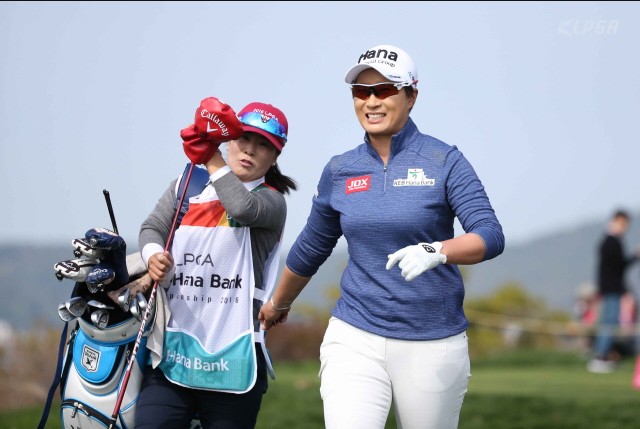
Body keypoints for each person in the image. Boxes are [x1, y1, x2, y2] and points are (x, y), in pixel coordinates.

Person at [259, 44, 505, 429]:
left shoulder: (444, 160)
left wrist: (437, 250)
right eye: (361, 91)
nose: (371, 101)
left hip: (433, 340)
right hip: (355, 334)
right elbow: (312, 246)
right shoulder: (341, 169)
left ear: (411, 96)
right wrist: (277, 304)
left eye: (385, 90)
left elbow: (489, 234)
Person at [135, 99, 296, 429]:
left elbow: (241, 208)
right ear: (229, 140)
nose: (249, 150)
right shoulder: (187, 185)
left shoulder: (271, 200)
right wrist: (153, 256)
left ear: (275, 157)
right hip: (173, 352)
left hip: (234, 359)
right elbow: (153, 227)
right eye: (243, 138)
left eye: (263, 145)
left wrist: (210, 155)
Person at [588, 209, 638, 373]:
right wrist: (635, 256)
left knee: (610, 322)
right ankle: (601, 357)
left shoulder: (608, 241)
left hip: (610, 289)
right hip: (611, 290)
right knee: (609, 323)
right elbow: (619, 267)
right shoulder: (612, 242)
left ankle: (604, 356)